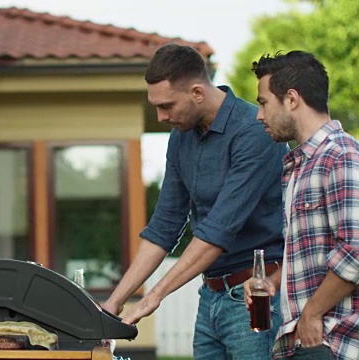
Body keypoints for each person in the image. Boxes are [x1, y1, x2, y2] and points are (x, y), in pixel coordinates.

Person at [100, 43, 288, 359]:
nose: (160, 117)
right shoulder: (181, 137)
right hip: (211, 295)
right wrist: (115, 301)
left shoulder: (254, 132)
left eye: (168, 106)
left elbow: (218, 230)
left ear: (198, 93)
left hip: (256, 298)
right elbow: (164, 226)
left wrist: (154, 295)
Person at [244, 50, 359, 359]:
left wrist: (311, 314)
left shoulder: (344, 158)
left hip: (339, 343)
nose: (259, 115)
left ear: (291, 99)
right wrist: (273, 282)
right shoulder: (304, 165)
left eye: (263, 103)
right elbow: (315, 251)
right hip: (308, 341)